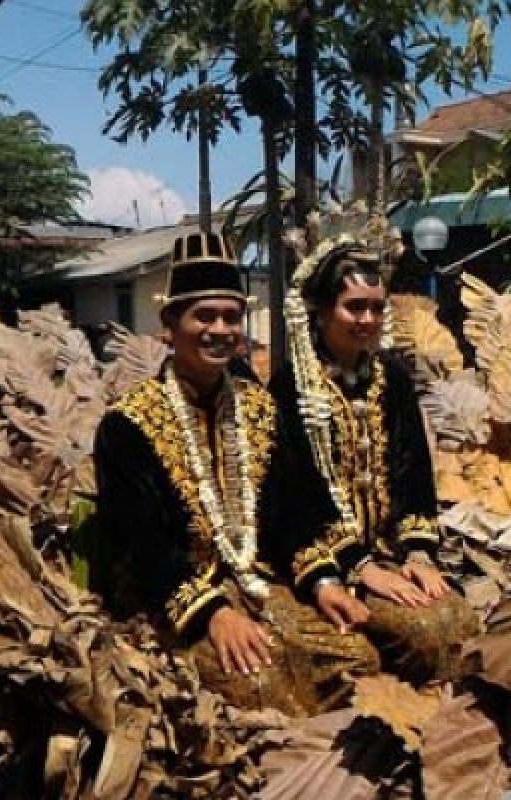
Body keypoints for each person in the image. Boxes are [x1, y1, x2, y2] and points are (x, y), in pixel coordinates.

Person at [92, 232, 377, 717]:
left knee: (358, 659)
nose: (220, 329)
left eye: (231, 317)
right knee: (263, 686)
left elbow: (292, 514)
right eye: (204, 316)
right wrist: (214, 613)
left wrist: (324, 583)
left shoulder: (260, 408)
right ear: (169, 326)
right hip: (176, 605)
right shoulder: (127, 425)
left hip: (261, 585)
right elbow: (143, 546)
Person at [263, 236, 479, 685]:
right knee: (424, 632)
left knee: (457, 619)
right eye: (354, 307)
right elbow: (293, 499)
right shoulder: (290, 390)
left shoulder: (393, 380)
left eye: (377, 308)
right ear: (321, 312)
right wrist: (360, 567)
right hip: (326, 559)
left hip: (391, 554)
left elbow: (413, 474)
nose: (367, 320)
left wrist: (418, 552)